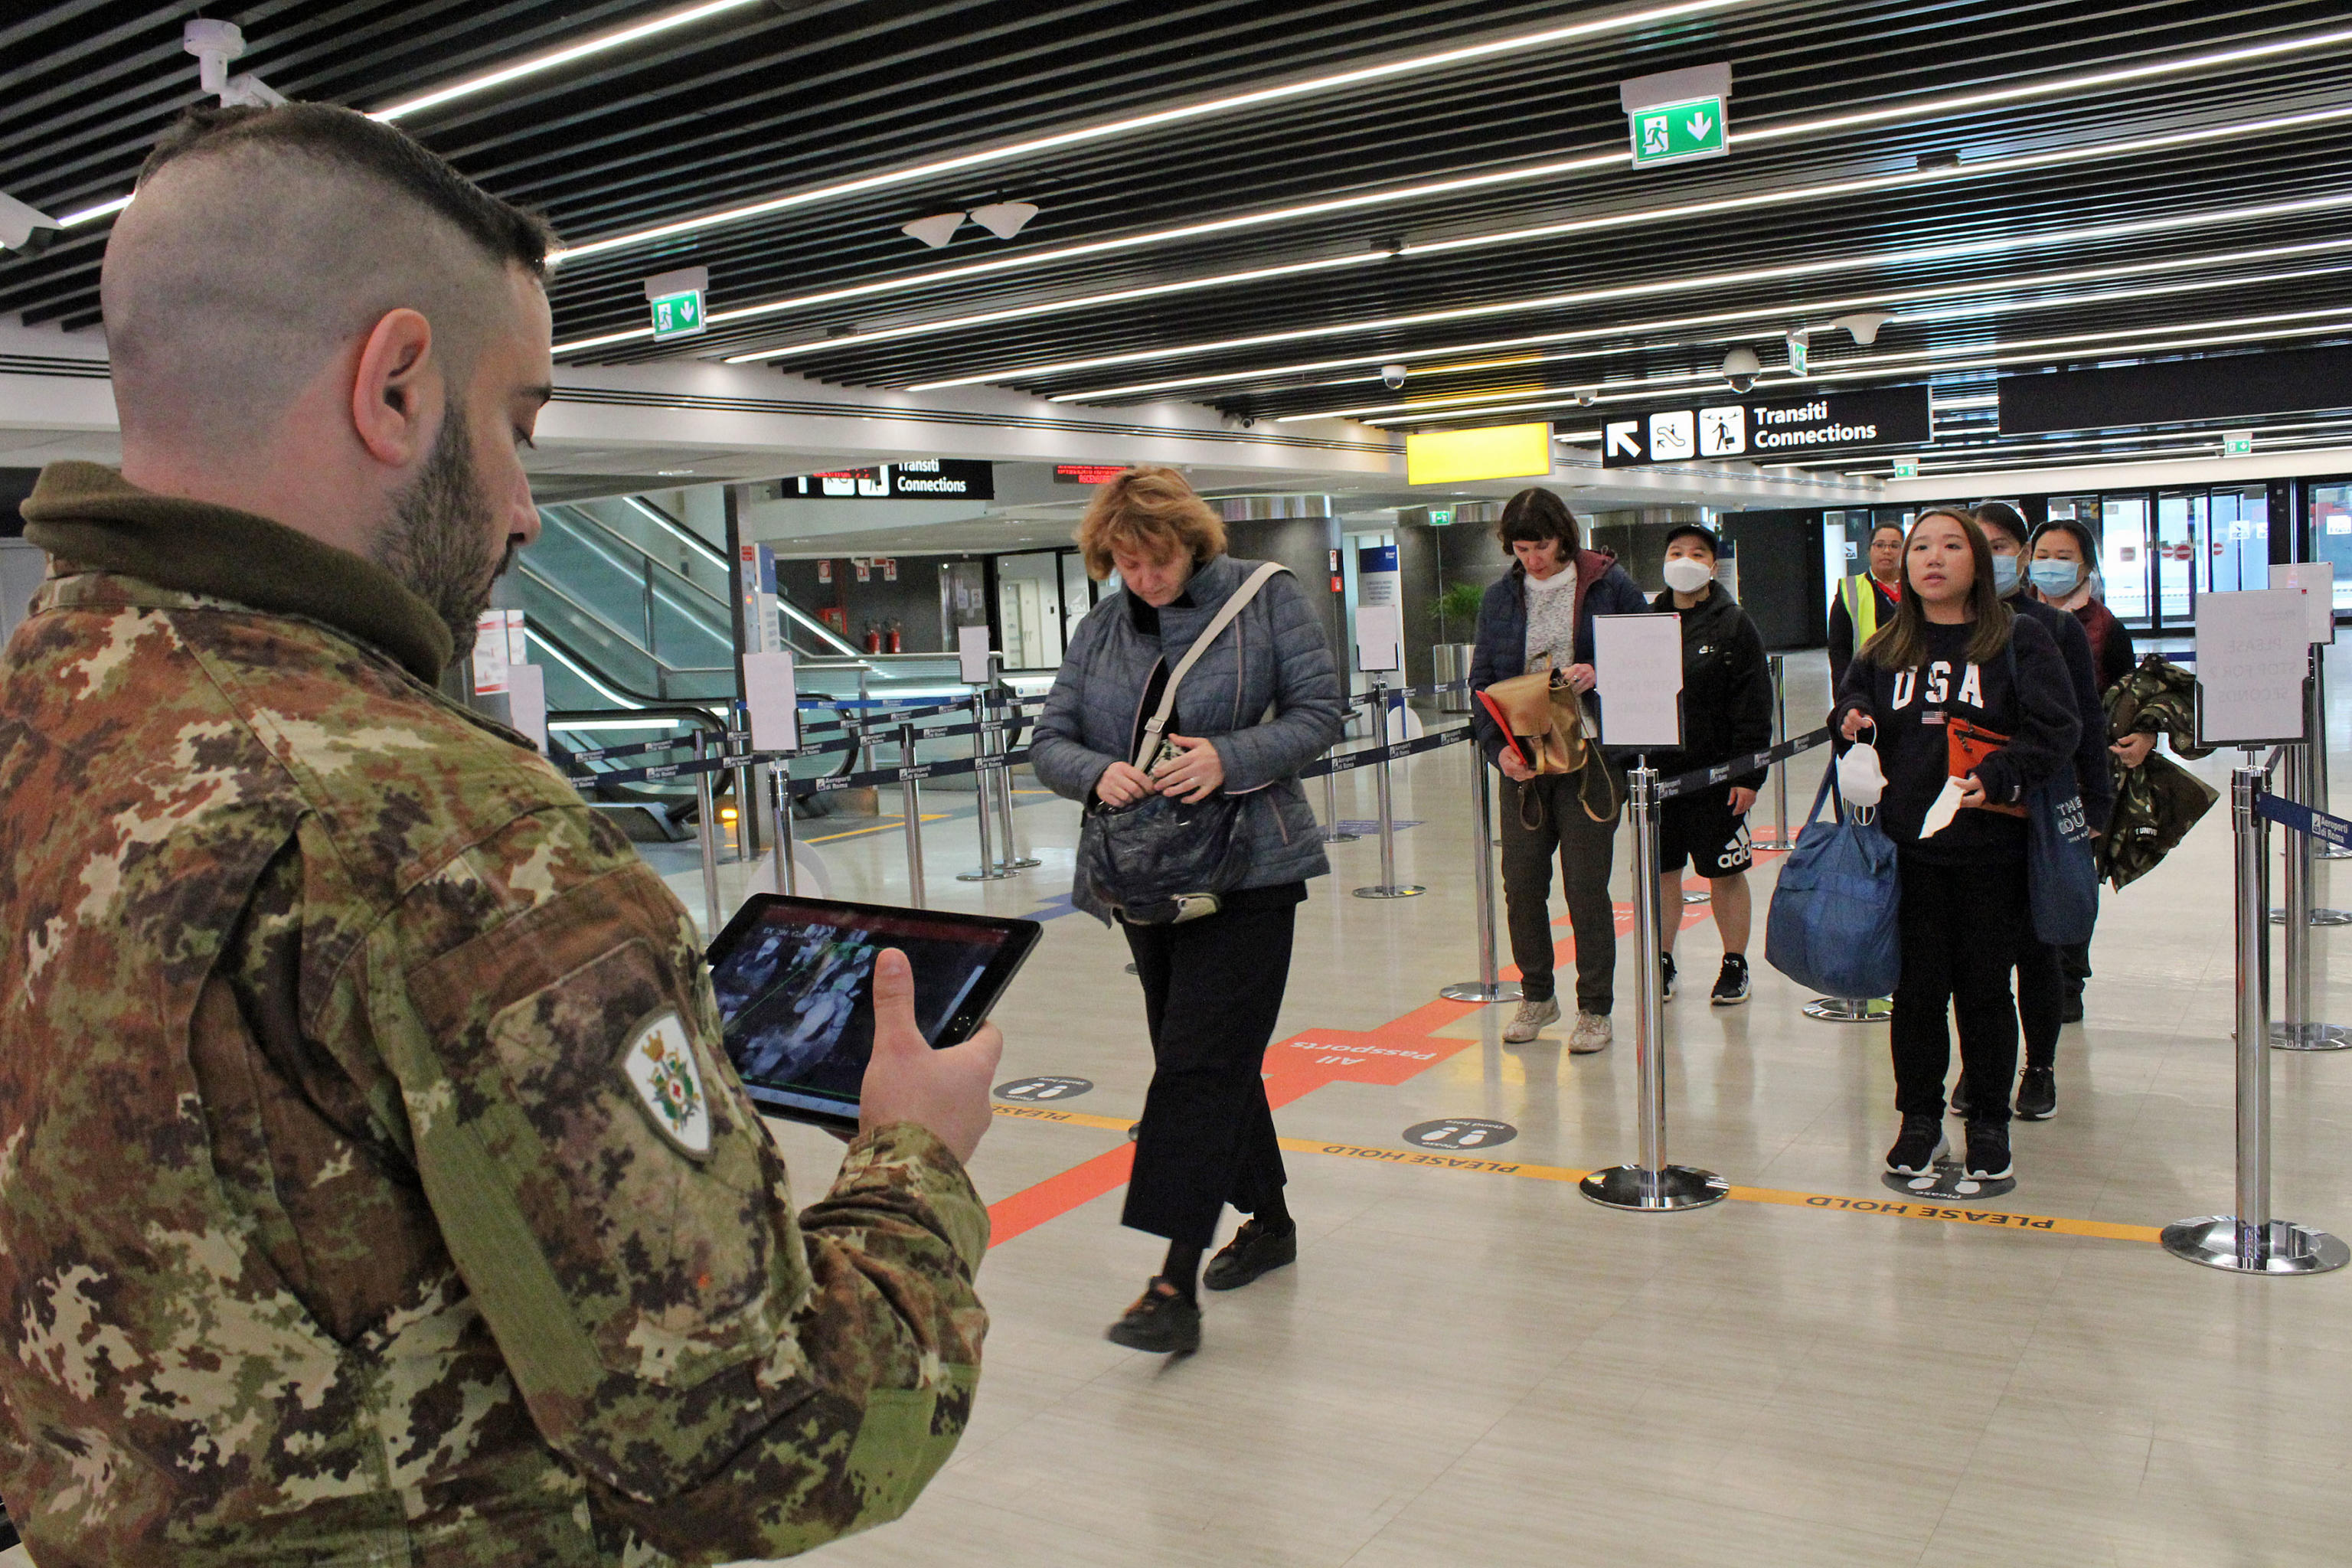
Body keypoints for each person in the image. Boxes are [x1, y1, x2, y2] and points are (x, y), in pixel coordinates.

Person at [0, 104, 1004, 1566]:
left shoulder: (43, 714)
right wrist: (914, 1160)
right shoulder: (446, 840)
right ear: (395, 383)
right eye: (517, 424)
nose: (527, 506)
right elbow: (772, 1439)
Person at [1030, 466, 1345, 1357]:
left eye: (1156, 559)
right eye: (1125, 563)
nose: (1144, 578)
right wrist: (1096, 771)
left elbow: (1322, 712)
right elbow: (1048, 740)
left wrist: (1229, 756)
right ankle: (1272, 1219)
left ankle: (1172, 1282)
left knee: (1199, 1064)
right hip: (1147, 877)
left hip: (1251, 869)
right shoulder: (1100, 629)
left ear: (1190, 542)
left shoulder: (1263, 598)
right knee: (1205, 1053)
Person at [1834, 508, 2079, 1184]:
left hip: (1989, 850)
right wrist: (1846, 718)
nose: (1931, 559)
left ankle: (1990, 1125)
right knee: (1914, 994)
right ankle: (1920, 1121)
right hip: (1905, 852)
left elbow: (2057, 729)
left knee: (1984, 992)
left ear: (1977, 559)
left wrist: (1997, 776)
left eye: (1949, 546)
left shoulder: (2018, 640)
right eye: (1919, 548)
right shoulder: (1885, 647)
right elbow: (1851, 704)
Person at [1468, 488, 1649, 1052]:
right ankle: (1537, 994)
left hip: (1592, 755)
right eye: (1522, 549)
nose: (1534, 560)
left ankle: (1595, 1007)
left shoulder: (1609, 584)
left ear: (1563, 537)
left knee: (1585, 886)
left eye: (1541, 546)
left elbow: (1648, 657)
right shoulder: (1501, 596)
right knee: (1521, 884)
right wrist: (1495, 748)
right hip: (1523, 759)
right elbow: (1481, 683)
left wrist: (1601, 671)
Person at [1974, 501, 2116, 1119]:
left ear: (2021, 554)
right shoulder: (1938, 630)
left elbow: (2085, 720)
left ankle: (2039, 1066)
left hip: (2037, 811)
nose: (1987, 557)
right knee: (1975, 957)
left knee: (2038, 952)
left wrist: (2097, 804)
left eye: (2001, 544)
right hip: (1969, 813)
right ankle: (1982, 1067)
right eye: (1974, 544)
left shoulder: (2053, 631)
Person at [1648, 524, 1772, 1006]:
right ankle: (1662, 959)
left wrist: (1748, 774)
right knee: (1661, 872)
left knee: (1724, 872)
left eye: (1696, 554)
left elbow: (1754, 703)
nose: (1684, 560)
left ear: (1712, 566)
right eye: (1675, 552)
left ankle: (1735, 963)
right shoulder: (1645, 620)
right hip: (1657, 777)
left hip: (1718, 778)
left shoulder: (1733, 623)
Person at [2029, 517, 2136, 691]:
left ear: (2087, 566)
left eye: (2063, 558)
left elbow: (2121, 698)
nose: (2050, 564)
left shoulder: (2109, 628)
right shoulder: (2012, 614)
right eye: (2042, 556)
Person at [1828, 520, 1906, 686]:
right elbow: (1839, 650)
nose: (1887, 551)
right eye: (1879, 545)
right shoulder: (1850, 589)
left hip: (1912, 681)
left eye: (1894, 545)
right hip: (1869, 681)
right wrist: (1843, 697)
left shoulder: (1917, 587)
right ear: (1869, 551)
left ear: (1903, 551)